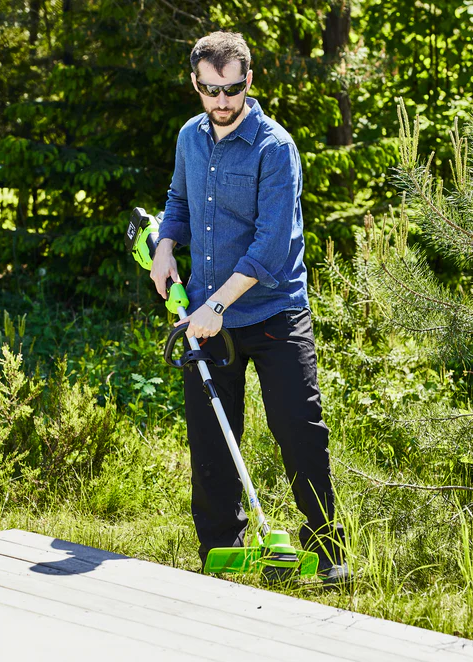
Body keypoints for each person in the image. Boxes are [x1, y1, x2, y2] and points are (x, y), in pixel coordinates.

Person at [150, 31, 348, 583]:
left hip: (274, 311)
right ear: (196, 84)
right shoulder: (189, 137)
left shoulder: (274, 147)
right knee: (212, 438)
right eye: (211, 90)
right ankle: (221, 550)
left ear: (249, 81)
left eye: (233, 89)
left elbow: (271, 245)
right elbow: (178, 202)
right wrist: (165, 248)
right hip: (206, 315)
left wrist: (215, 304)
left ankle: (326, 552)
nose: (222, 101)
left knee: (300, 430)